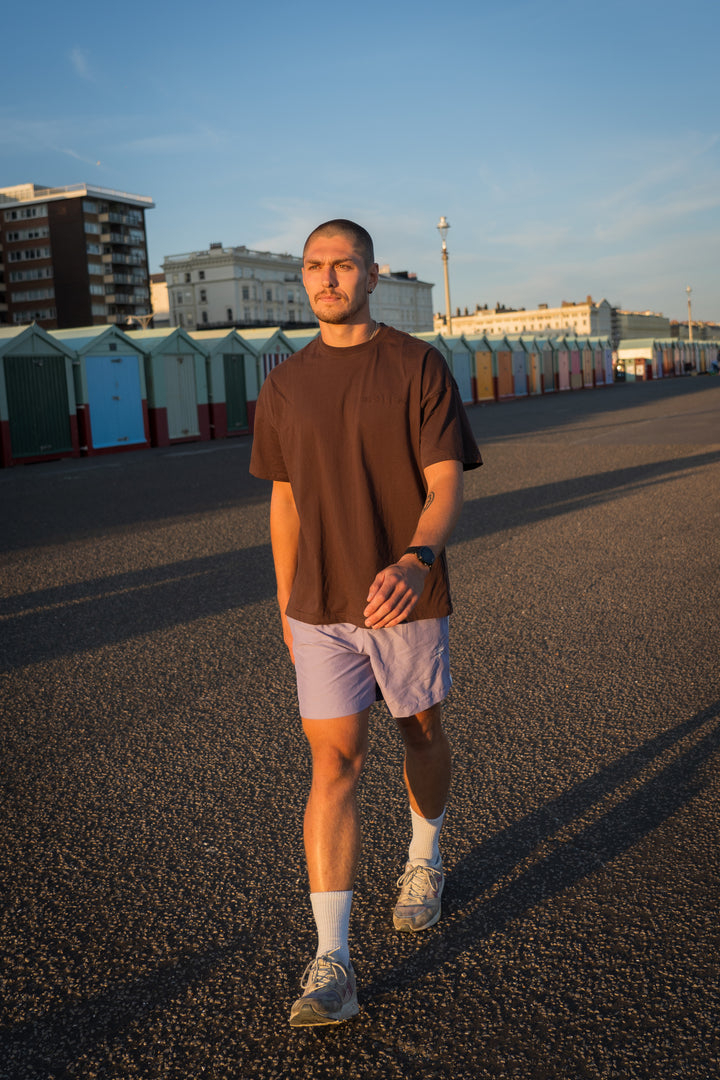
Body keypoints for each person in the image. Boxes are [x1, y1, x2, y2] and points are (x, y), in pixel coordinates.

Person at [250, 219, 482, 1027]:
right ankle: (333, 962)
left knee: (421, 731)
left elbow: (445, 480)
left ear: (373, 274)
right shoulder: (283, 385)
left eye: (342, 264)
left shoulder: (417, 364)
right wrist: (285, 603)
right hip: (319, 609)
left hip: (403, 596)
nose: (327, 278)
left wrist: (418, 556)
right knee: (334, 764)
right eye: (314, 267)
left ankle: (425, 858)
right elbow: (282, 499)